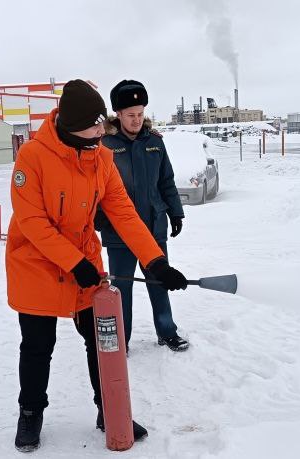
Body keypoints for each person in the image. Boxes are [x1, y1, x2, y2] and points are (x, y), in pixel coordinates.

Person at [5, 79, 190, 452]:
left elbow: (122, 211)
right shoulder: (33, 157)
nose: (100, 131)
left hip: (84, 261)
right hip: (36, 263)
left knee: (102, 340)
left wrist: (155, 260)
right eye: (94, 127)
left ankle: (109, 409)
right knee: (38, 345)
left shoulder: (101, 156)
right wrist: (73, 262)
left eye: (101, 125)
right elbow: (32, 221)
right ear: (70, 126)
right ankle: (30, 414)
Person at [96, 79, 190, 352]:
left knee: (160, 283)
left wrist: (176, 212)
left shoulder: (155, 143)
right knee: (120, 289)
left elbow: (166, 182)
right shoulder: (105, 146)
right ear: (118, 115)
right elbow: (95, 187)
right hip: (118, 233)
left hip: (153, 227)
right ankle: (121, 341)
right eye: (130, 115)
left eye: (140, 114)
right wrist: (98, 217)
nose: (136, 120)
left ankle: (167, 331)